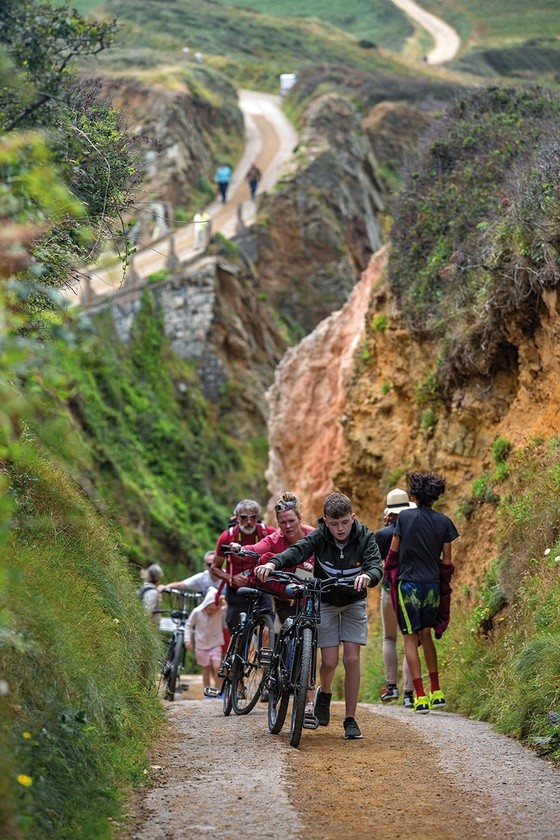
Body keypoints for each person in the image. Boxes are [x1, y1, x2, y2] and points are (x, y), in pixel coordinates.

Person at [255, 491, 382, 740]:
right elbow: (298, 551)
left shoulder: (365, 536)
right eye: (334, 524)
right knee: (330, 660)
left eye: (345, 522)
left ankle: (350, 719)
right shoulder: (320, 535)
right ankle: (324, 694)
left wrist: (369, 576)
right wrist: (273, 563)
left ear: (352, 517)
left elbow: (376, 564)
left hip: (354, 601)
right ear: (325, 521)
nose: (340, 529)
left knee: (352, 659)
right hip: (326, 601)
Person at [385, 472, 459, 714]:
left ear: (414, 496)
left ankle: (419, 696)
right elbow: (447, 562)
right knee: (426, 635)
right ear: (435, 497)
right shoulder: (445, 522)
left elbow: (393, 554)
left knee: (409, 637)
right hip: (432, 586)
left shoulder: (404, 519)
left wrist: (390, 571)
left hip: (408, 585)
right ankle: (436, 692)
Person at [230, 492, 314, 625]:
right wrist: (240, 549)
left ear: (299, 519)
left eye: (291, 521)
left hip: (311, 593)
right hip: (285, 596)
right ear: (278, 524)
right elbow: (256, 548)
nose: (288, 526)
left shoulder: (313, 536)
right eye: (283, 522)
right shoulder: (275, 539)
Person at [374, 488, 416, 709]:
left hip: (390, 591)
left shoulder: (382, 535)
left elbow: (375, 563)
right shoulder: (416, 530)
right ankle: (410, 693)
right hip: (412, 590)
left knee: (389, 638)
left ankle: (391, 686)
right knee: (411, 638)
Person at [211, 499, 276, 632]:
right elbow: (214, 567)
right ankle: (237, 651)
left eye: (253, 517)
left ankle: (262, 650)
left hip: (261, 586)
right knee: (236, 629)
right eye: (244, 518)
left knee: (266, 625)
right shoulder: (227, 537)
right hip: (236, 589)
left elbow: (286, 540)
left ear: (258, 517)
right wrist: (232, 578)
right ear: (237, 517)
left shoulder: (267, 533)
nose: (249, 522)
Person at [185, 586, 227, 697]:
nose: (211, 612)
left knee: (217, 666)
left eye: (214, 609)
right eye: (210, 609)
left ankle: (219, 691)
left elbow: (228, 608)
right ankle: (208, 692)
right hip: (201, 645)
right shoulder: (197, 612)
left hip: (215, 643)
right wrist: (187, 640)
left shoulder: (220, 612)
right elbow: (188, 625)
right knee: (206, 669)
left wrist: (222, 601)